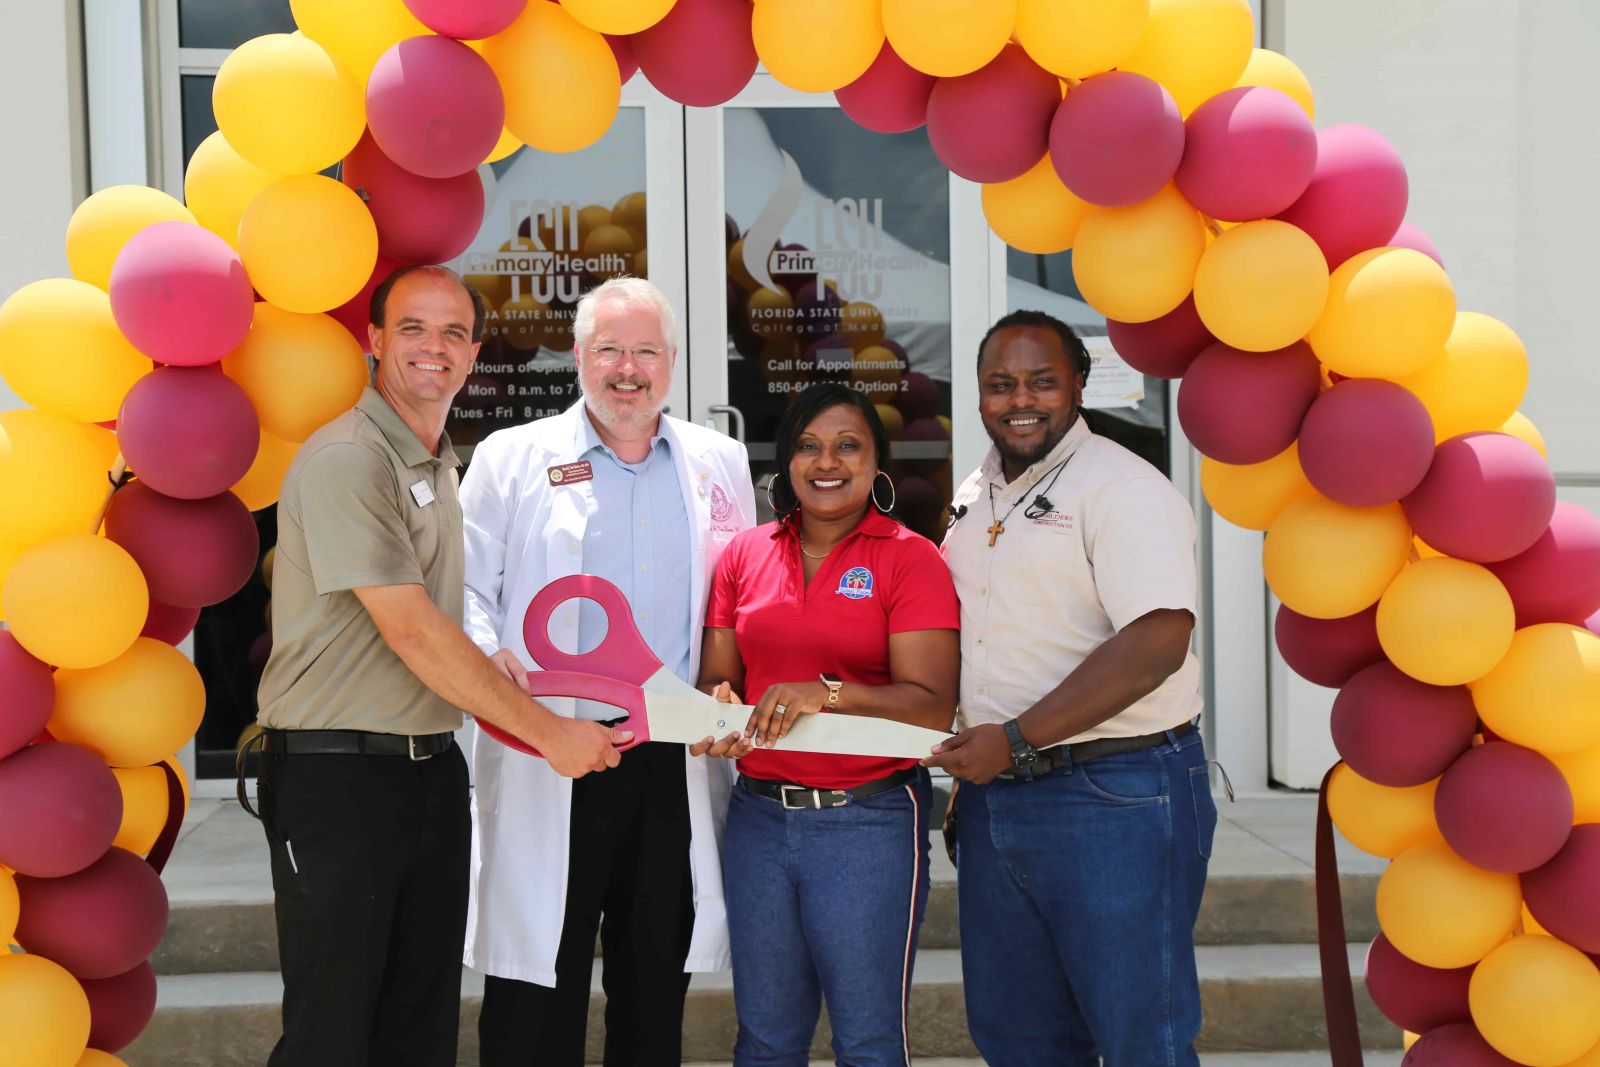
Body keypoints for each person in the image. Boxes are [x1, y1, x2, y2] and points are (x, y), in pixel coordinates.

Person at [250, 265, 626, 1067]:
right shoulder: (351, 458)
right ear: (376, 341)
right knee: (334, 1030)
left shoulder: (437, 461)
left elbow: (434, 616)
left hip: (424, 773)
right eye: (413, 328)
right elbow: (412, 633)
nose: (434, 347)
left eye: (454, 331)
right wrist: (548, 732)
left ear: (475, 353)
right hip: (338, 780)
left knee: (418, 1027)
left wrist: (488, 655)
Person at [461, 276, 757, 1067]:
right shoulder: (511, 457)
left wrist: (733, 685)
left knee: (652, 983)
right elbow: (460, 589)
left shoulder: (719, 461)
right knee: (532, 996)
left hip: (670, 760)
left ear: (673, 361)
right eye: (610, 350)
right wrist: (493, 665)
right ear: (578, 357)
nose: (628, 369)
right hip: (549, 751)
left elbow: (741, 597)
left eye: (646, 351)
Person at [925, 309, 1217, 1066]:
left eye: (1042, 381)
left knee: (1137, 1038)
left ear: (1079, 385)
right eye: (1000, 384)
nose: (1020, 399)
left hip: (1115, 794)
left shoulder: (1123, 488)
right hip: (999, 798)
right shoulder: (977, 487)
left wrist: (1015, 738)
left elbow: (1157, 641)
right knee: (1020, 1038)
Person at [694, 382, 959, 1067]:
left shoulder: (910, 557)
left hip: (866, 821)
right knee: (764, 1040)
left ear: (878, 466)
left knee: (868, 1042)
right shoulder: (744, 554)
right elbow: (716, 678)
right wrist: (717, 707)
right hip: (757, 820)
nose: (827, 461)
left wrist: (828, 693)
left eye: (848, 445)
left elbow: (932, 705)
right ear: (785, 463)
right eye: (808, 445)